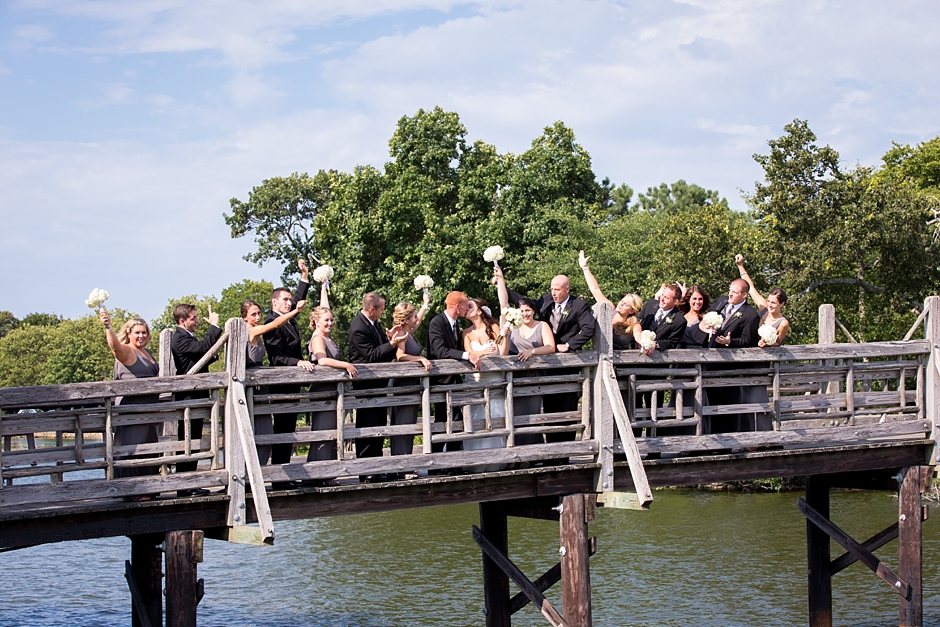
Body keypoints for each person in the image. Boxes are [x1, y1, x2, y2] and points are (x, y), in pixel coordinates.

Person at [505, 267, 596, 451]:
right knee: (548, 411)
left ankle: (565, 453)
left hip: (566, 368)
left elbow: (589, 328)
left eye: (557, 289)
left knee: (566, 411)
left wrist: (569, 345)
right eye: (552, 289)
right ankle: (550, 451)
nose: (553, 292)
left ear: (567, 289)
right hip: (546, 367)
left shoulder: (579, 306)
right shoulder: (546, 300)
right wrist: (502, 284)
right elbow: (522, 302)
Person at [263, 260, 314, 483]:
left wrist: (304, 276)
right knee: (282, 429)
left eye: (289, 299)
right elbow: (277, 357)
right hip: (281, 382)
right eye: (284, 299)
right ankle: (278, 476)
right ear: (275, 303)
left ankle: (284, 474)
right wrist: (297, 362)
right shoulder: (270, 321)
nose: (289, 302)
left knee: (289, 428)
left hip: (293, 383)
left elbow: (298, 303)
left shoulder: (288, 319)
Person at [98, 309, 160, 490]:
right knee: (132, 449)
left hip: (148, 411)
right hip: (132, 410)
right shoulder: (128, 351)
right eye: (137, 333)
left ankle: (148, 487)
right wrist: (108, 326)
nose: (141, 336)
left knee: (147, 449)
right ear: (128, 333)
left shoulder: (145, 351)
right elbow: (115, 347)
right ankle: (131, 489)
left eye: (144, 332)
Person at [241, 297, 307, 465]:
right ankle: (254, 472)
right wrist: (296, 311)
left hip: (261, 386)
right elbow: (276, 324)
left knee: (266, 433)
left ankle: (261, 470)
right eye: (253, 314)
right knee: (260, 432)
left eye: (258, 313)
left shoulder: (257, 331)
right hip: (251, 386)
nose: (257, 317)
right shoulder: (250, 331)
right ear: (245, 317)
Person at [347, 292, 407, 479]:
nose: (383, 312)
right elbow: (371, 356)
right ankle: (366, 471)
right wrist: (391, 343)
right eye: (381, 309)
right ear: (371, 309)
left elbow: (381, 348)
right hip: (366, 385)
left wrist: (389, 337)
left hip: (378, 385)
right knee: (367, 426)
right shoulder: (358, 328)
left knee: (379, 424)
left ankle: (377, 466)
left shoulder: (374, 323)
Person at [170, 302, 221, 487]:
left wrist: (212, 354)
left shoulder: (186, 336)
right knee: (188, 441)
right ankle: (184, 485)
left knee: (194, 440)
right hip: (188, 397)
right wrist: (214, 326)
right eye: (194, 318)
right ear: (182, 321)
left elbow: (202, 354)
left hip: (195, 396)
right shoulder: (180, 338)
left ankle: (190, 483)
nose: (197, 321)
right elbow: (203, 348)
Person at [426, 290, 482, 457]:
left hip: (454, 381)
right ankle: (435, 463)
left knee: (457, 420)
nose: (467, 308)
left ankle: (455, 461)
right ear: (458, 307)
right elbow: (440, 351)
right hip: (441, 381)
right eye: (466, 305)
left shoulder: (456, 324)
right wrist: (467, 355)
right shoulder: (437, 323)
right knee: (442, 420)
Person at [306, 306, 358, 476]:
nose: (330, 323)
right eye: (326, 320)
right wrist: (346, 365)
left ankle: (327, 473)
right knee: (323, 432)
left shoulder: (328, 338)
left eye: (331, 320)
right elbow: (322, 360)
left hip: (333, 390)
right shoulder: (317, 338)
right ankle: (317, 473)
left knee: (332, 434)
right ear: (316, 321)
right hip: (323, 391)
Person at [707, 278, 763, 433]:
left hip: (730, 366)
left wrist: (729, 342)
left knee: (727, 405)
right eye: (730, 290)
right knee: (709, 403)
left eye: (735, 292)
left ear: (744, 295)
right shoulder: (721, 302)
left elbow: (748, 341)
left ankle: (727, 439)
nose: (730, 294)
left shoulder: (750, 315)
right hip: (710, 361)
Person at [462, 297, 509, 471]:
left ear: (480, 310)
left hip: (494, 379)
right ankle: (476, 461)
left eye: (470, 306)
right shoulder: (466, 333)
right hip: (477, 380)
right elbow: (469, 353)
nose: (466, 309)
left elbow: (503, 353)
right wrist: (482, 352)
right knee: (477, 418)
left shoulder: (494, 328)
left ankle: (497, 459)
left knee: (496, 416)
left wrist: (505, 336)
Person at [506, 296, 556, 445]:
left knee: (531, 413)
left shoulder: (542, 325)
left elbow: (550, 347)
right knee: (514, 414)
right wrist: (503, 334)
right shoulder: (513, 327)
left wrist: (532, 351)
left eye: (527, 310)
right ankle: (515, 451)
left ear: (533, 311)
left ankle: (531, 450)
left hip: (534, 376)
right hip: (515, 377)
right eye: (521, 311)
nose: (524, 314)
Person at [390, 301, 433, 461]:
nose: (417, 319)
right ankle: (401, 463)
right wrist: (420, 358)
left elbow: (418, 321)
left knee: (410, 423)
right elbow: (400, 356)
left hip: (413, 384)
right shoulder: (401, 333)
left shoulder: (409, 331)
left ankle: (406, 460)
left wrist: (425, 305)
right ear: (406, 319)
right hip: (404, 385)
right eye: (414, 316)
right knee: (403, 423)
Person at [578, 251, 641, 350]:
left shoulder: (634, 325)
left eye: (626, 305)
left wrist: (646, 342)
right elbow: (595, 290)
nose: (621, 304)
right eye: (622, 301)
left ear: (632, 311)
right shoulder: (609, 309)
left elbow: (638, 336)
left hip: (621, 362)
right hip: (599, 354)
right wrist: (585, 268)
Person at [735, 255, 790, 346]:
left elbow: (778, 343)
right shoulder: (764, 308)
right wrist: (740, 265)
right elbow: (751, 287)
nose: (769, 305)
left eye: (773, 303)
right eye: (769, 301)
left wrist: (767, 343)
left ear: (782, 304)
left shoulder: (783, 323)